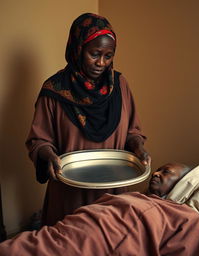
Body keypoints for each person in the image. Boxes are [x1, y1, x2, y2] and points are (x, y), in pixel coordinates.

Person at [25, 13, 151, 226]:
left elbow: (132, 132)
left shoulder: (120, 86)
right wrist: (49, 156)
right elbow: (39, 141)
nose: (101, 63)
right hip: (70, 193)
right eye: (94, 54)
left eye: (108, 55)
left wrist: (139, 148)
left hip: (115, 189)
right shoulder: (54, 90)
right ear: (77, 49)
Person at [0, 164, 199, 256]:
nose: (156, 173)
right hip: (68, 233)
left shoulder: (186, 218)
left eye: (166, 172)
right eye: (158, 169)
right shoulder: (133, 196)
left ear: (185, 183)